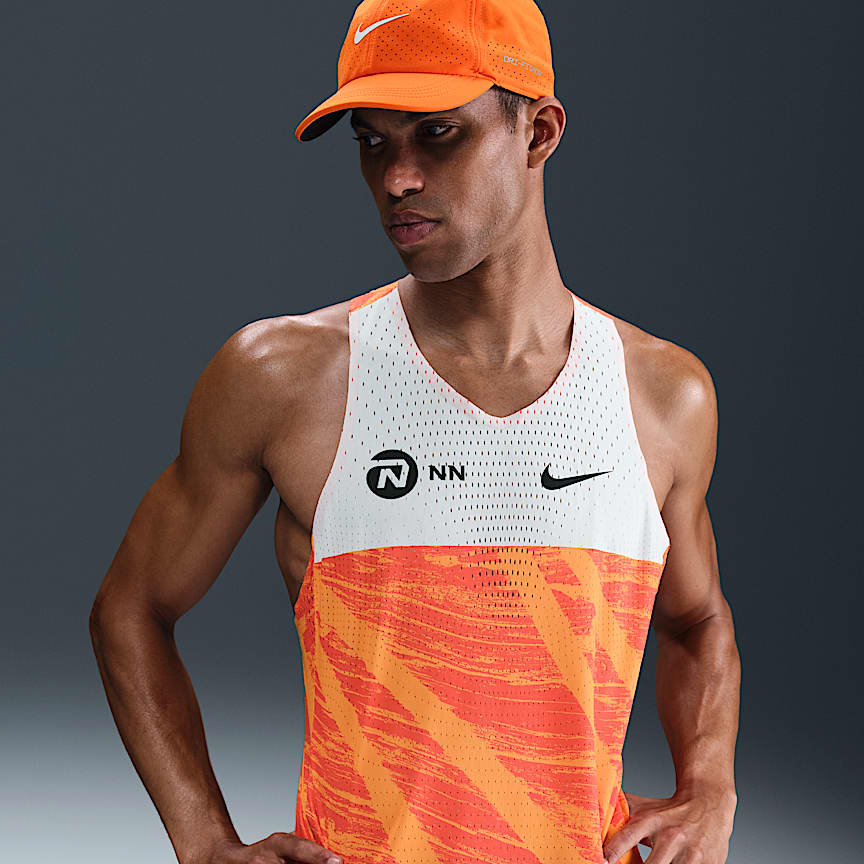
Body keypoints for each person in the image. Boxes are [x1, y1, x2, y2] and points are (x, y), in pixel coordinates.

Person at [89, 1, 740, 863]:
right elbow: (130, 608)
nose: (396, 178)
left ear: (539, 133)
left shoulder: (661, 394)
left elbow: (697, 621)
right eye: (372, 142)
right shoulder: (287, 377)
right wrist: (205, 843)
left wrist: (711, 786)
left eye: (438, 135)